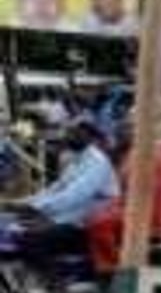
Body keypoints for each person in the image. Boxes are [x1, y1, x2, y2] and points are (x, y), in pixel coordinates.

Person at [19, 118, 119, 278]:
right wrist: (27, 203)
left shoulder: (97, 162)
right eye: (68, 132)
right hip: (71, 219)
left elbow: (75, 195)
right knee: (17, 229)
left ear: (88, 136)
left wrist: (40, 209)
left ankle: (54, 285)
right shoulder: (76, 161)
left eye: (74, 133)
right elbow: (57, 188)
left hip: (86, 225)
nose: (68, 136)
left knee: (32, 240)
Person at [86, 120, 161, 273]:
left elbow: (136, 191)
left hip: (145, 212)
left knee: (97, 223)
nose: (118, 138)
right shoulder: (141, 153)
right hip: (146, 209)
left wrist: (112, 204)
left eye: (122, 134)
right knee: (99, 212)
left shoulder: (141, 155)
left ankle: (113, 265)